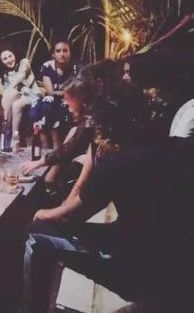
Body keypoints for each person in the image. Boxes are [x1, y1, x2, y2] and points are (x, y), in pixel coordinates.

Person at [22, 61, 194, 313]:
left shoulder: (117, 164)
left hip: (146, 266)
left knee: (37, 237)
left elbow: (73, 214)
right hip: (177, 256)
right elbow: (83, 188)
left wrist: (42, 214)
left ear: (99, 120)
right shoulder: (173, 144)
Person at [20, 76, 94, 197]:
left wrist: (38, 163)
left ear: (78, 98)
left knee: (72, 167)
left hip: (104, 162)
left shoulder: (91, 118)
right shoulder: (83, 114)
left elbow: (69, 148)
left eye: (68, 100)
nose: (65, 103)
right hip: (86, 154)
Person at [29, 40, 80, 148]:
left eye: (65, 51)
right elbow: (50, 91)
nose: (62, 54)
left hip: (68, 100)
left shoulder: (75, 67)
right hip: (52, 99)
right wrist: (62, 92)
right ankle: (44, 145)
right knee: (42, 106)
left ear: (70, 53)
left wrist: (64, 93)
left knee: (53, 105)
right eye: (58, 51)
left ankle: (56, 144)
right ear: (53, 54)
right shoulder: (47, 66)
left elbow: (74, 90)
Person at [0, 44, 41, 144]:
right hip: (16, 98)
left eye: (10, 56)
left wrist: (8, 90)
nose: (9, 60)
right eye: (4, 59)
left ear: (14, 54)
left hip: (32, 95)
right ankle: (13, 134)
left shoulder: (24, 62)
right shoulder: (5, 74)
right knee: (15, 102)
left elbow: (20, 76)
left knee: (16, 103)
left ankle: (12, 135)